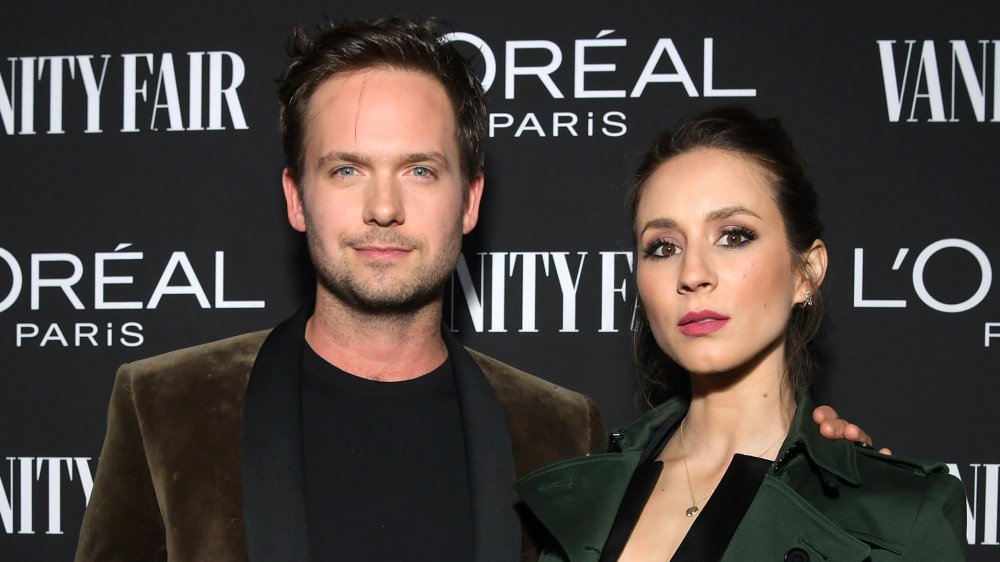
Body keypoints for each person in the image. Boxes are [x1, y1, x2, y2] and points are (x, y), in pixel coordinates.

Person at [75, 19, 871, 562]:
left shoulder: (560, 431)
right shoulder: (165, 407)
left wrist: (819, 470)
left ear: (470, 200)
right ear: (294, 196)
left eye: (420, 170)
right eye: (346, 169)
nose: (383, 208)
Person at [515, 108, 967, 561]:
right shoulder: (586, 491)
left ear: (805, 272)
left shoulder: (898, 517)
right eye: (663, 247)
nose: (692, 273)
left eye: (732, 236)